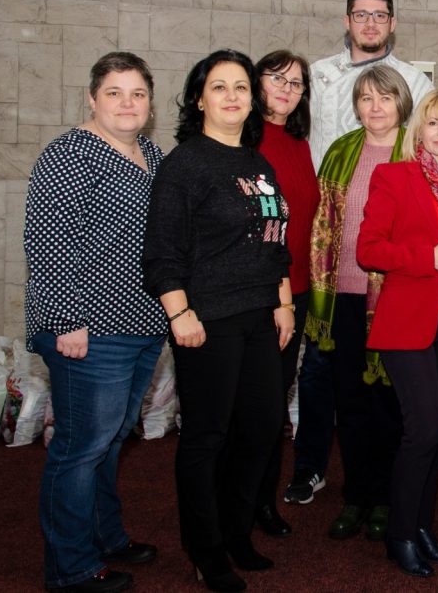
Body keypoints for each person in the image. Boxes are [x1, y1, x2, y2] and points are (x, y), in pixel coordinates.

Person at [143, 49, 294, 593]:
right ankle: (205, 552)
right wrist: (179, 313)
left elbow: (275, 242)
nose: (232, 96)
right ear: (199, 98)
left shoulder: (258, 163)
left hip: (260, 316)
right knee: (207, 436)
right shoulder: (185, 164)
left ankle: (235, 532)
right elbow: (162, 251)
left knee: (261, 427)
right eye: (219, 87)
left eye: (241, 87)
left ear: (252, 100)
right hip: (206, 320)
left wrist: (283, 302)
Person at [24, 52, 167, 593]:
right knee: (81, 448)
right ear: (92, 98)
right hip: (88, 330)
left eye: (137, 94)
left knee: (110, 441)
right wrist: (67, 320)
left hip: (142, 324)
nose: (127, 104)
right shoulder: (69, 155)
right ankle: (71, 569)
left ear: (149, 102)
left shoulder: (152, 154)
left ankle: (106, 537)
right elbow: (48, 242)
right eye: (114, 92)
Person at [356, 90, 438, 578]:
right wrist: (425, 258)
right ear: (419, 131)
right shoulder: (395, 176)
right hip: (406, 323)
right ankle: (400, 535)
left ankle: (423, 527)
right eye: (434, 123)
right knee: (423, 429)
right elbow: (369, 250)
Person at [297, 65, 409, 541]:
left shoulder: (417, 152)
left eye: (385, 97)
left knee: (390, 403)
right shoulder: (341, 151)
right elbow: (321, 223)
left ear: (401, 102)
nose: (375, 107)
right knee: (350, 401)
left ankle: (384, 497)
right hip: (342, 294)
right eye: (366, 98)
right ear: (356, 106)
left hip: (397, 298)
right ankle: (356, 495)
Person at [251, 50, 319, 539]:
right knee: (251, 406)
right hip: (257, 294)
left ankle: (262, 500)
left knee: (273, 405)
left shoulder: (298, 143)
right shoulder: (245, 140)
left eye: (296, 83)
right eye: (277, 78)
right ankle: (241, 502)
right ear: (256, 83)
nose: (286, 89)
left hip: (296, 292)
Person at [307, 0, 434, 168]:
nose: (370, 24)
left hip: (391, 185)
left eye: (380, 16)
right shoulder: (317, 75)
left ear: (392, 24)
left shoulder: (415, 82)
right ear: (347, 22)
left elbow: (434, 140)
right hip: (326, 184)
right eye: (361, 15)